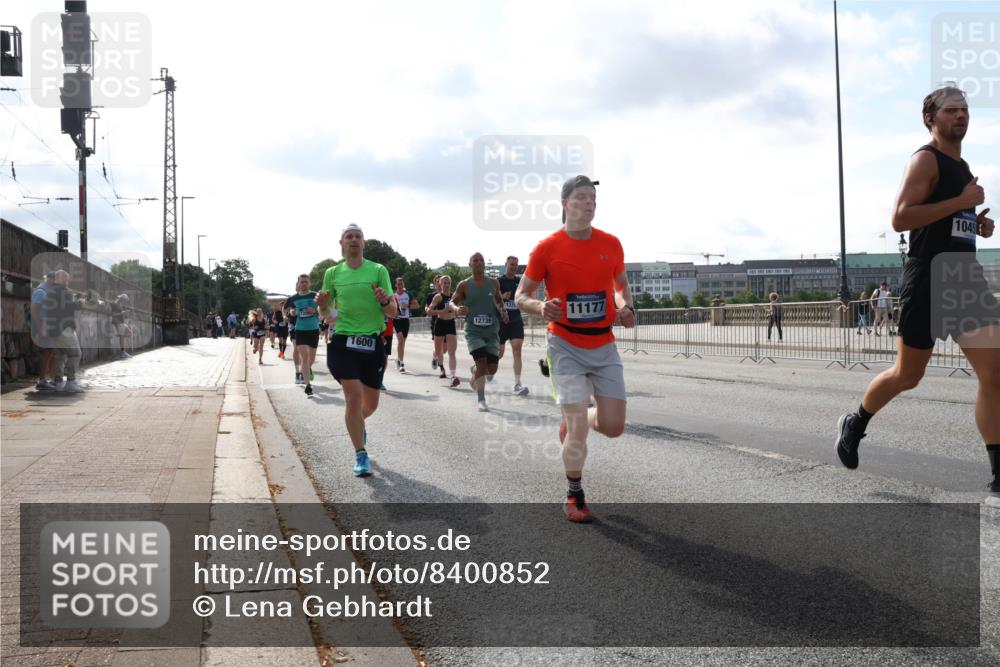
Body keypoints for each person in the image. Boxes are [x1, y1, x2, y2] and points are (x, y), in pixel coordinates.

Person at [835, 86, 999, 508]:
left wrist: (973, 222)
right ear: (930, 118)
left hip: (963, 277)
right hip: (928, 276)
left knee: (995, 370)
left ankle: (999, 475)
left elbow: (948, 216)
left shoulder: (961, 166)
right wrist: (960, 202)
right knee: (908, 376)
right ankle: (856, 422)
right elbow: (901, 218)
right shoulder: (925, 159)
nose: (960, 116)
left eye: (964, 109)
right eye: (951, 110)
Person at [515, 175, 636, 523]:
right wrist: (540, 307)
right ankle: (574, 494)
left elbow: (621, 286)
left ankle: (575, 421)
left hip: (603, 344)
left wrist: (626, 307)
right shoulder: (547, 247)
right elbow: (521, 295)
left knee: (613, 426)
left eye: (593, 198)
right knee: (579, 426)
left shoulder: (611, 244)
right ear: (565, 204)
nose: (589, 203)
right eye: (582, 197)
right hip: (565, 343)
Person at [317, 223, 397, 477]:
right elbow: (326, 313)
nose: (353, 240)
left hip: (371, 343)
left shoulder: (378, 270)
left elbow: (393, 311)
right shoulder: (332, 273)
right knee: (353, 397)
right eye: (348, 237)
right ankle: (361, 454)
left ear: (364, 243)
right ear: (341, 244)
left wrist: (384, 299)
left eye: (358, 236)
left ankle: (357, 425)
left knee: (370, 405)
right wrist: (323, 307)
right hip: (342, 342)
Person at [453, 252, 509, 412]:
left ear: (484, 264)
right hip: (474, 331)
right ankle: (481, 400)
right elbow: (451, 302)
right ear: (470, 265)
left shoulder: (493, 283)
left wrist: (504, 312)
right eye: (475, 260)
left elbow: (499, 300)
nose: (479, 262)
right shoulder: (464, 285)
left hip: (492, 330)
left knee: (492, 369)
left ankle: (475, 375)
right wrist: (457, 309)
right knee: (482, 362)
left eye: (481, 260)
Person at [44, 270, 85, 393]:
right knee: (75, 354)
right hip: (64, 329)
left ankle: (58, 382)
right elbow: (71, 306)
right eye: (67, 280)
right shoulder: (63, 291)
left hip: (53, 329)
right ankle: (71, 382)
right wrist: (80, 302)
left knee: (59, 356)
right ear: (61, 278)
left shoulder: (50, 292)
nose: (68, 282)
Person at [497, 255, 529, 395]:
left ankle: (517, 384)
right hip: (502, 320)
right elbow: (492, 299)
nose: (514, 267)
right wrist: (502, 297)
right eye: (512, 264)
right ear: (506, 265)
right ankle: (482, 367)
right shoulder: (499, 281)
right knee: (499, 353)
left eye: (516, 265)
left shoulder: (520, 282)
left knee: (517, 350)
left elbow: (526, 296)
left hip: (516, 319)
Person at [285, 274, 321, 395]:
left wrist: (315, 310)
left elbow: (324, 309)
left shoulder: (315, 295)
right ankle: (308, 385)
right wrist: (291, 312)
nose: (304, 284)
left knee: (311, 359)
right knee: (304, 358)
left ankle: (306, 369)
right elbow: (288, 310)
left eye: (306, 282)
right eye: (302, 282)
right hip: (300, 330)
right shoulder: (293, 298)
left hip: (314, 329)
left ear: (309, 283)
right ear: (298, 284)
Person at [428, 275, 461, 387]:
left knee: (452, 352)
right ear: (440, 285)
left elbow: (457, 310)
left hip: (450, 324)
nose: (446, 285)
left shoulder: (454, 297)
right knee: (439, 352)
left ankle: (452, 376)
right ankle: (437, 359)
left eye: (448, 283)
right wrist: (442, 311)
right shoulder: (438, 297)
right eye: (444, 283)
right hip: (440, 324)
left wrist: (457, 312)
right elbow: (429, 311)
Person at [31, 272, 56, 391]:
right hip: (43, 326)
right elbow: (35, 312)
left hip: (48, 326)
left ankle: (53, 379)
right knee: (47, 353)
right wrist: (41, 328)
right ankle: (42, 379)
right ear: (50, 279)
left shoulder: (48, 292)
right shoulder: (40, 292)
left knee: (51, 353)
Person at [392, 277, 415, 373]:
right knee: (400, 339)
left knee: (402, 342)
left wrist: (408, 306)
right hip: (397, 320)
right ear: (396, 285)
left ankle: (398, 358)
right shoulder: (393, 295)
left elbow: (417, 305)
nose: (400, 285)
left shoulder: (408, 294)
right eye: (399, 284)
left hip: (406, 320)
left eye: (402, 283)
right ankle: (401, 363)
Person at [426, 276, 442, 370]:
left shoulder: (449, 295)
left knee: (444, 350)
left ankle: (435, 355)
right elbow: (428, 308)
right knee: (439, 348)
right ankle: (442, 370)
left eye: (441, 281)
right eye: (437, 282)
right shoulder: (431, 296)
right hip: (435, 323)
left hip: (447, 323)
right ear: (435, 284)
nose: (439, 284)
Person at [111, 293, 132, 358]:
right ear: (122, 299)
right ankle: (123, 352)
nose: (125, 302)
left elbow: (120, 314)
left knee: (130, 333)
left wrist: (124, 313)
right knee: (122, 337)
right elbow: (113, 314)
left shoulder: (120, 304)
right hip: (118, 323)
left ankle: (119, 336)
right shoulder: (114, 304)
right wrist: (122, 313)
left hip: (121, 322)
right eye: (125, 300)